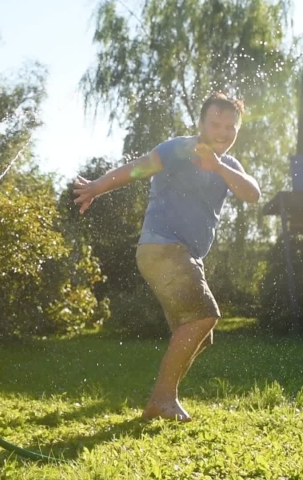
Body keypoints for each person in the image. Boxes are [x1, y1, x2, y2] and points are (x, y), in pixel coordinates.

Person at [73, 92, 261, 422]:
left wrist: (218, 167)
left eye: (231, 127)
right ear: (201, 123)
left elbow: (252, 194)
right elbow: (138, 168)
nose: (223, 132)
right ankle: (162, 399)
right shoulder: (179, 149)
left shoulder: (228, 165)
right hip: (162, 247)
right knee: (204, 317)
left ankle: (165, 399)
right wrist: (97, 187)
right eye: (215, 123)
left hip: (182, 255)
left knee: (201, 335)